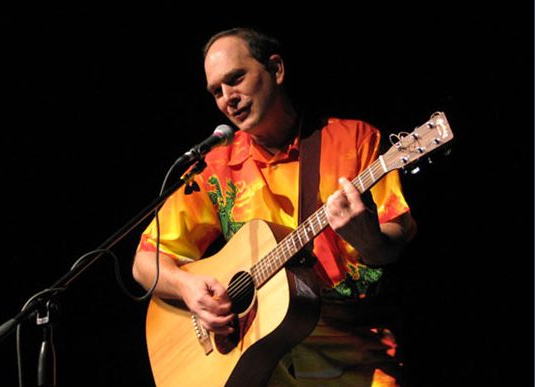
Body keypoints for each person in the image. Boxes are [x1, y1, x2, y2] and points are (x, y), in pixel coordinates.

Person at [133, 27, 416, 386]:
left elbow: (393, 244)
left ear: (276, 70)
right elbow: (145, 263)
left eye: (236, 79)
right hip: (266, 371)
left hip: (359, 362)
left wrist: (368, 238)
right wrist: (189, 289)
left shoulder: (353, 140)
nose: (227, 99)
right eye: (216, 91)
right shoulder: (213, 169)